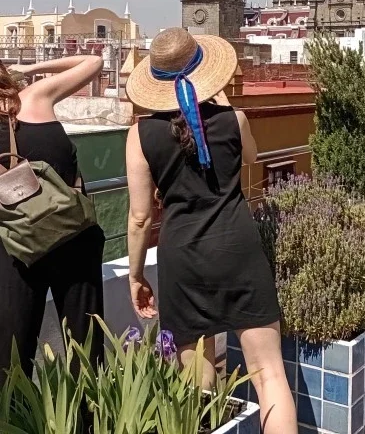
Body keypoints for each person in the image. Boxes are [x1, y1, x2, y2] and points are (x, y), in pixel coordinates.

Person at [125, 28, 297, 434]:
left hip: (182, 256)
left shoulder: (140, 134)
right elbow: (252, 158)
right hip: (238, 247)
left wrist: (135, 276)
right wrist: (224, 104)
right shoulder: (233, 119)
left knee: (197, 386)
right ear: (204, 69)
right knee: (269, 373)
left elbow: (139, 217)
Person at [0, 55, 105, 385]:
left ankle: (17, 419)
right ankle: (87, 420)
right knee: (85, 340)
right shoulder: (34, 97)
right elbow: (94, 61)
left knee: (13, 348)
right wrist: (30, 70)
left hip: (18, 246)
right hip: (73, 233)